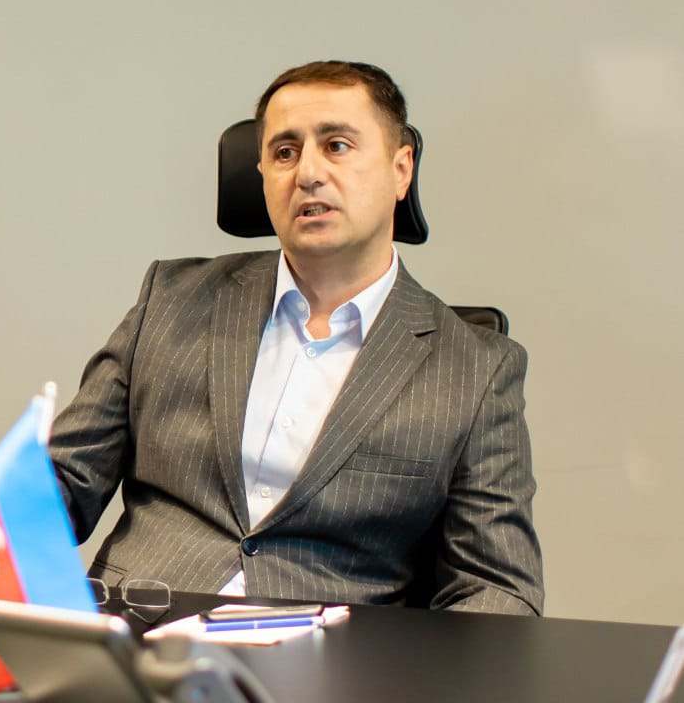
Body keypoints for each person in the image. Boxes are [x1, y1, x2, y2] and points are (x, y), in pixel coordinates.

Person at [49, 61, 544, 613]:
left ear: (400, 169)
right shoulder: (171, 300)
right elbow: (64, 481)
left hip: (332, 654)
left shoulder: (477, 369)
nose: (307, 173)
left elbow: (497, 587)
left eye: (337, 146)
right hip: (138, 632)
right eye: (285, 152)